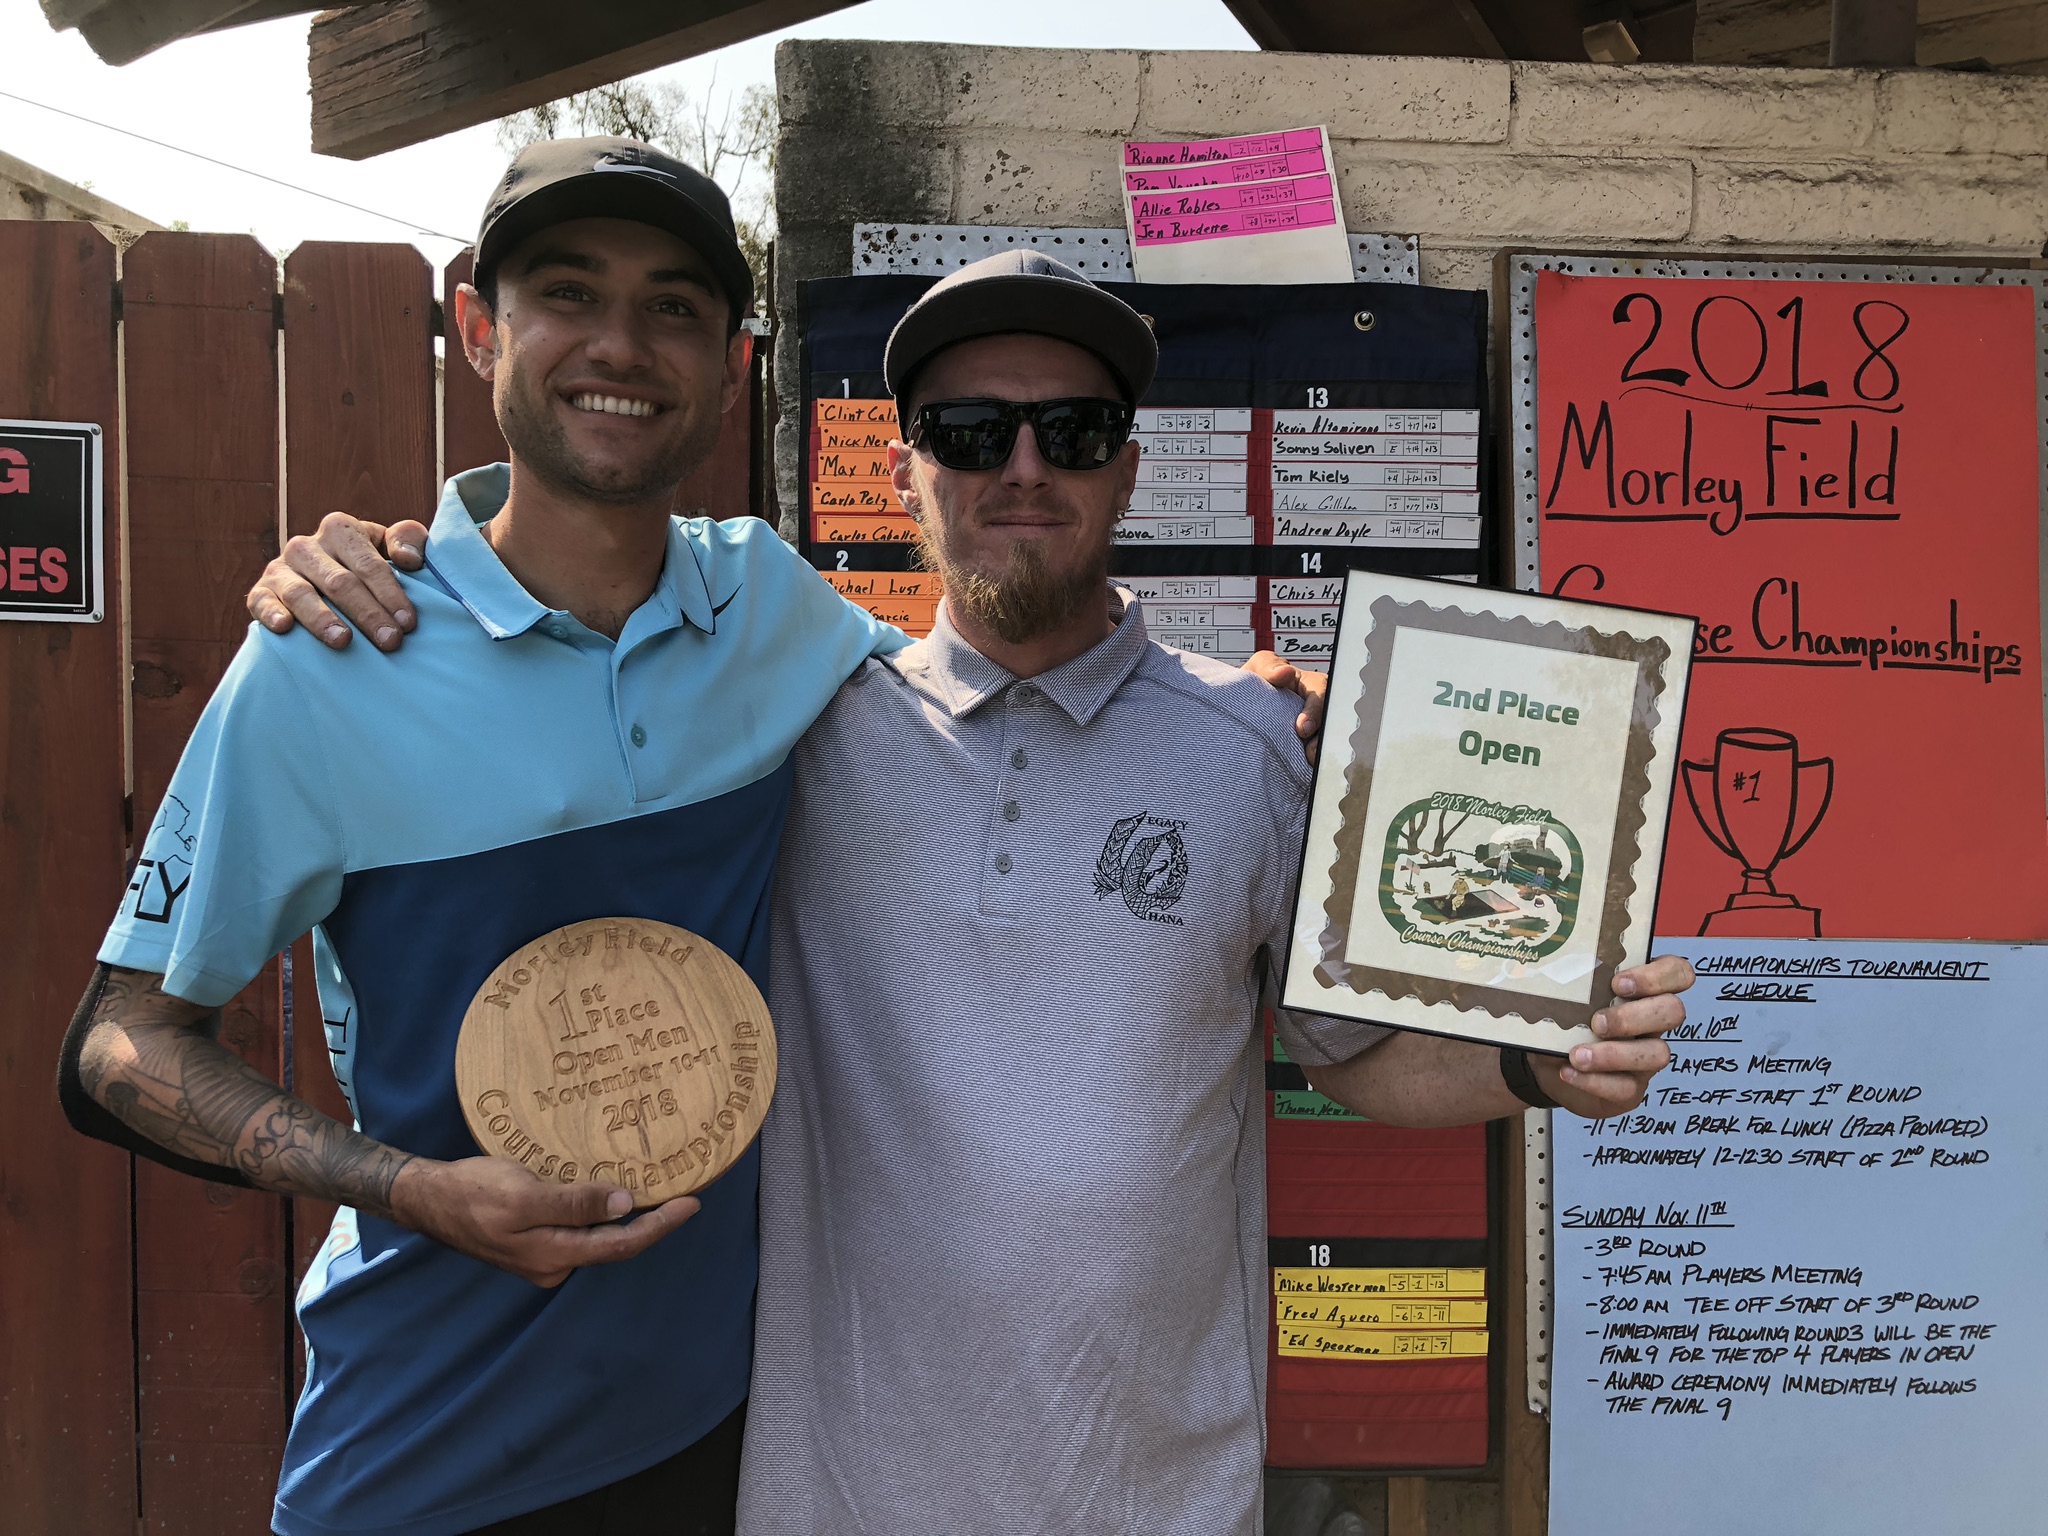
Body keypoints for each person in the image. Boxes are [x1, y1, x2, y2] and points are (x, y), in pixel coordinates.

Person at [247, 252, 1695, 1534]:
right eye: (966, 430)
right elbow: (582, 611)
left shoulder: (1256, 745)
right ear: (904, 476)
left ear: (1129, 472)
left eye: (1072, 432)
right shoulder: (794, 724)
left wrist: (1537, 1059)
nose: (1022, 468)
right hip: (840, 1492)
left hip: (1159, 1491)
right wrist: (397, 569)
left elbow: (1361, 1060)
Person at [63, 137, 922, 1536]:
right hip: (424, 1460)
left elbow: (988, 719)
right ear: (478, 324)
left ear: (732, 363)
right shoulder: (330, 655)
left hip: (723, 1439)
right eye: (568, 293)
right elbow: (118, 1045)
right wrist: (412, 1189)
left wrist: (1239, 693)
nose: (620, 346)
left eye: (675, 309)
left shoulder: (771, 607)